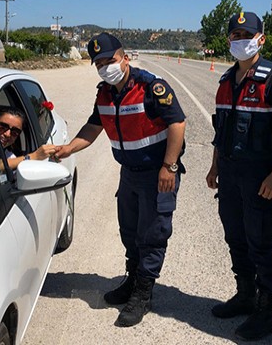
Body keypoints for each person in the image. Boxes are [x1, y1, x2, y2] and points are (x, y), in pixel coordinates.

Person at [54, 32, 186, 327]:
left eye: (109, 60)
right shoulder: (105, 93)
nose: (105, 67)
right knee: (130, 232)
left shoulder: (151, 87)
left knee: (152, 234)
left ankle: (143, 293)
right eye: (99, 63)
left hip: (156, 173)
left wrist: (169, 166)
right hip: (129, 174)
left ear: (124, 58)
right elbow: (93, 128)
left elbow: (178, 122)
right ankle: (132, 279)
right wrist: (67, 149)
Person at [205, 11, 272, 341]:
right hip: (230, 173)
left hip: (260, 176)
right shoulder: (225, 82)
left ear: (260, 38)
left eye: (247, 34)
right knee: (236, 237)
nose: (240, 40)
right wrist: (215, 165)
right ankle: (245, 295)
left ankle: (268, 309)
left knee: (261, 241)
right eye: (235, 35)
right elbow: (221, 131)